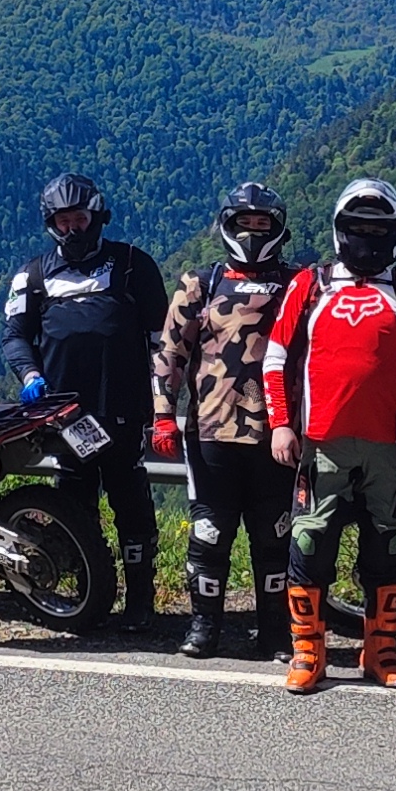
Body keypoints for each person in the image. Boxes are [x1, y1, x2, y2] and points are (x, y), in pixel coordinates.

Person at [263, 179, 396, 694]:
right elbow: (275, 359)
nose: (367, 238)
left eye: (377, 230)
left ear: (395, 236)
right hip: (322, 441)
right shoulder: (310, 284)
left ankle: (380, 650)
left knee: (388, 546)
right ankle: (308, 650)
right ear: (339, 230)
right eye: (357, 228)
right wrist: (281, 422)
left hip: (392, 445)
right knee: (309, 542)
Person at [0, 173, 171, 631]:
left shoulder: (134, 264)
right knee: (74, 505)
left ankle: (140, 599)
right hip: (62, 417)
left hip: (123, 410)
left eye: (80, 218)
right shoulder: (31, 275)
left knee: (131, 503)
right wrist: (31, 375)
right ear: (50, 223)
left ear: (97, 216)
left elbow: (161, 340)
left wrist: (162, 401)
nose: (73, 228)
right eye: (63, 221)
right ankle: (85, 595)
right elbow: (15, 337)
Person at [154, 184, 302, 660]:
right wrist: (162, 415)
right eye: (245, 223)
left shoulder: (300, 284)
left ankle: (276, 632)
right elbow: (170, 353)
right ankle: (204, 628)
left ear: (277, 229)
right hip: (210, 431)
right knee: (209, 532)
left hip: (277, 433)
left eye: (263, 224)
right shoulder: (201, 282)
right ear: (228, 226)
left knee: (274, 533)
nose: (254, 232)